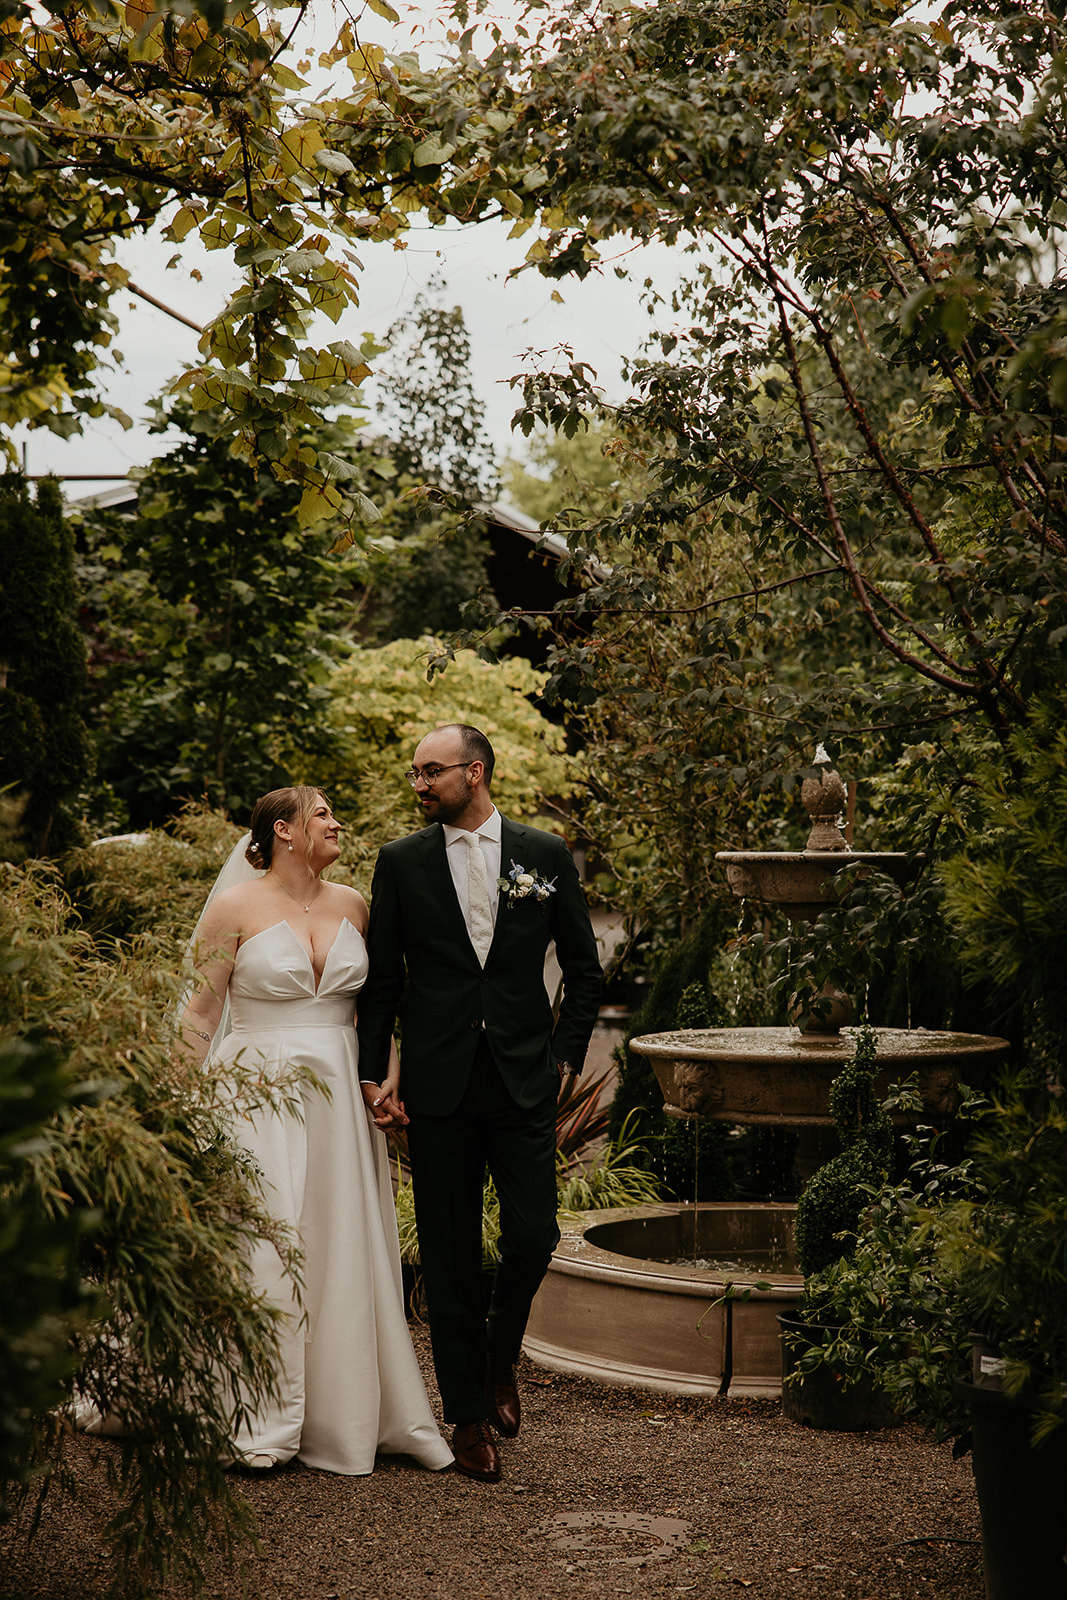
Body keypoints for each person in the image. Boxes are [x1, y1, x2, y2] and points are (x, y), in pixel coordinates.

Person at [177, 786, 452, 1476]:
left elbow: (373, 1010)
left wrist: (386, 1077)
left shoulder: (353, 903)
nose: (337, 821)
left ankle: (345, 1411)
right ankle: (252, 1411)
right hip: (254, 1092)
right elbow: (200, 1014)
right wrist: (176, 1106)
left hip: (338, 1096)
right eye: (323, 813)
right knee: (265, 1243)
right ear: (283, 830)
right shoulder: (234, 906)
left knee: (338, 1242)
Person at [356, 724, 603, 1483]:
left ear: (476, 771)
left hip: (524, 1081)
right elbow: (384, 983)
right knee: (450, 1253)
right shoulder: (400, 863)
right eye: (414, 773)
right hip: (437, 1086)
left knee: (532, 1238)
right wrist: (374, 1075)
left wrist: (563, 1060)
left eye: (431, 771)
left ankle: (501, 1350)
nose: (418, 784)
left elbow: (585, 970)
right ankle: (465, 1416)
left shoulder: (544, 854)